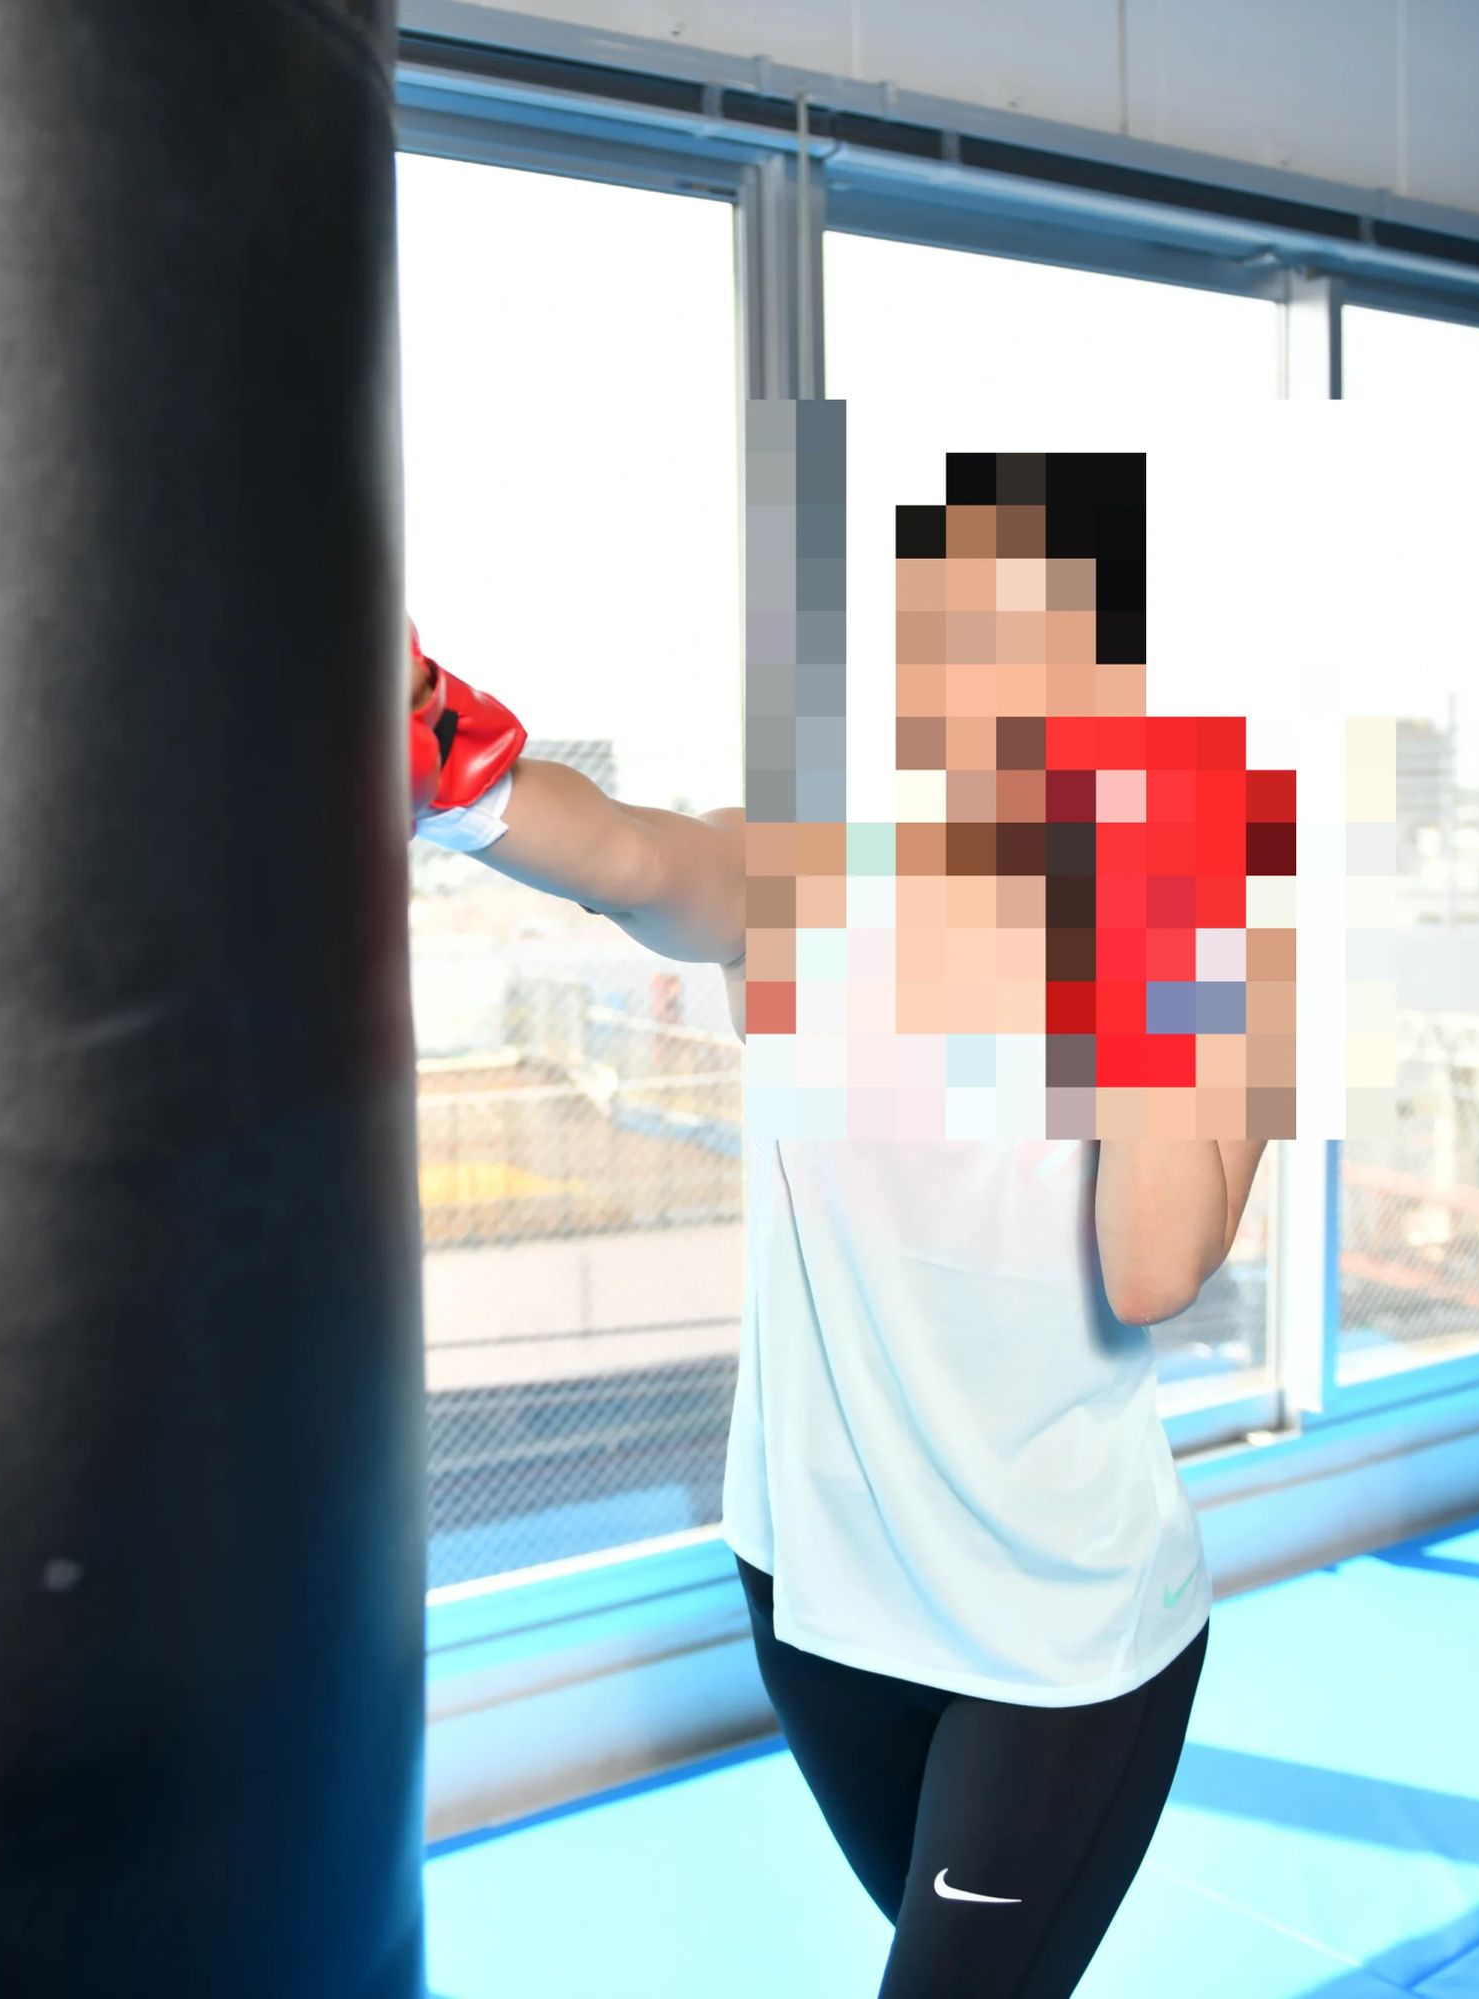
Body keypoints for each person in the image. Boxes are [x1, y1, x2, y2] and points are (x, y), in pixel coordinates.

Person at [407, 624, 1262, 1999]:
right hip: (816, 1586)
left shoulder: (1206, 973)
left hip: (1054, 1630)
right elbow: (628, 857)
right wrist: (448, 752)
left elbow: (1153, 1270)